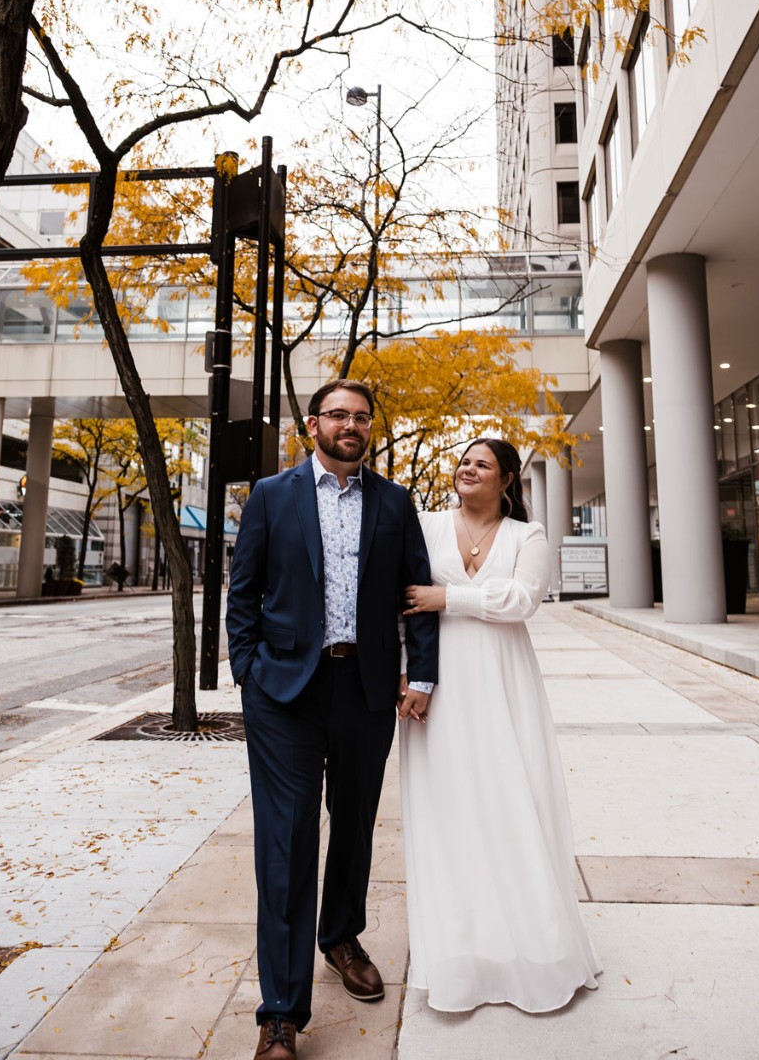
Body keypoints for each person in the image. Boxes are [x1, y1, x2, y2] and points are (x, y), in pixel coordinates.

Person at [227, 379, 439, 1060]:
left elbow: (416, 595)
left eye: (361, 417)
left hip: (367, 688)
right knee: (286, 844)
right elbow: (245, 591)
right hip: (284, 692)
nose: (351, 425)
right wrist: (247, 673)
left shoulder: (394, 502)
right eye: (339, 415)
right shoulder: (271, 496)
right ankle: (281, 1012)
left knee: (352, 825)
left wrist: (422, 674)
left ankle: (341, 937)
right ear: (312, 424)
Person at [400, 437, 601, 1014]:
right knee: (448, 813)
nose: (466, 468)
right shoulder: (427, 524)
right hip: (436, 684)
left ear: (507, 479)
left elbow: (522, 599)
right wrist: (408, 676)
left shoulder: (526, 537)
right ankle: (459, 953)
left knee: (512, 801)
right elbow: (402, 600)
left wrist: (447, 597)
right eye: (462, 460)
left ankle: (533, 947)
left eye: (481, 464)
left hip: (504, 681)